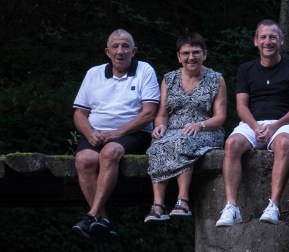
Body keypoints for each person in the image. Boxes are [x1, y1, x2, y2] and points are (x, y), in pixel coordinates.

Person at [72, 30, 160, 238]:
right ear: (107, 52)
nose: (120, 51)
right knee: (84, 159)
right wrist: (90, 134)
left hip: (134, 133)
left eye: (125, 46)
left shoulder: (145, 70)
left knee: (110, 152)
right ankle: (103, 220)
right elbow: (79, 113)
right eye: (115, 46)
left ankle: (92, 214)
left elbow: (149, 113)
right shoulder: (93, 73)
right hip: (96, 134)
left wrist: (116, 133)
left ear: (134, 51)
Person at [216, 20, 289, 227]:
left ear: (281, 41)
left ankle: (273, 205)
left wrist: (274, 126)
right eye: (263, 37)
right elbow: (241, 106)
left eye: (273, 37)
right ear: (256, 41)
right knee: (231, 144)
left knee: (283, 143)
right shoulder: (246, 69)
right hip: (252, 123)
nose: (268, 41)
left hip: (284, 123)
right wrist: (255, 127)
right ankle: (231, 206)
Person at [145, 33, 227, 222]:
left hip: (206, 130)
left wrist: (200, 125)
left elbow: (220, 117)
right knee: (157, 144)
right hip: (173, 130)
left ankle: (183, 200)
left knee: (184, 141)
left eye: (196, 52)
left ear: (204, 54)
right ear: (179, 56)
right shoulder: (169, 79)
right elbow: (162, 114)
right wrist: (159, 127)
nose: (191, 57)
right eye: (186, 53)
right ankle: (158, 205)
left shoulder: (216, 79)